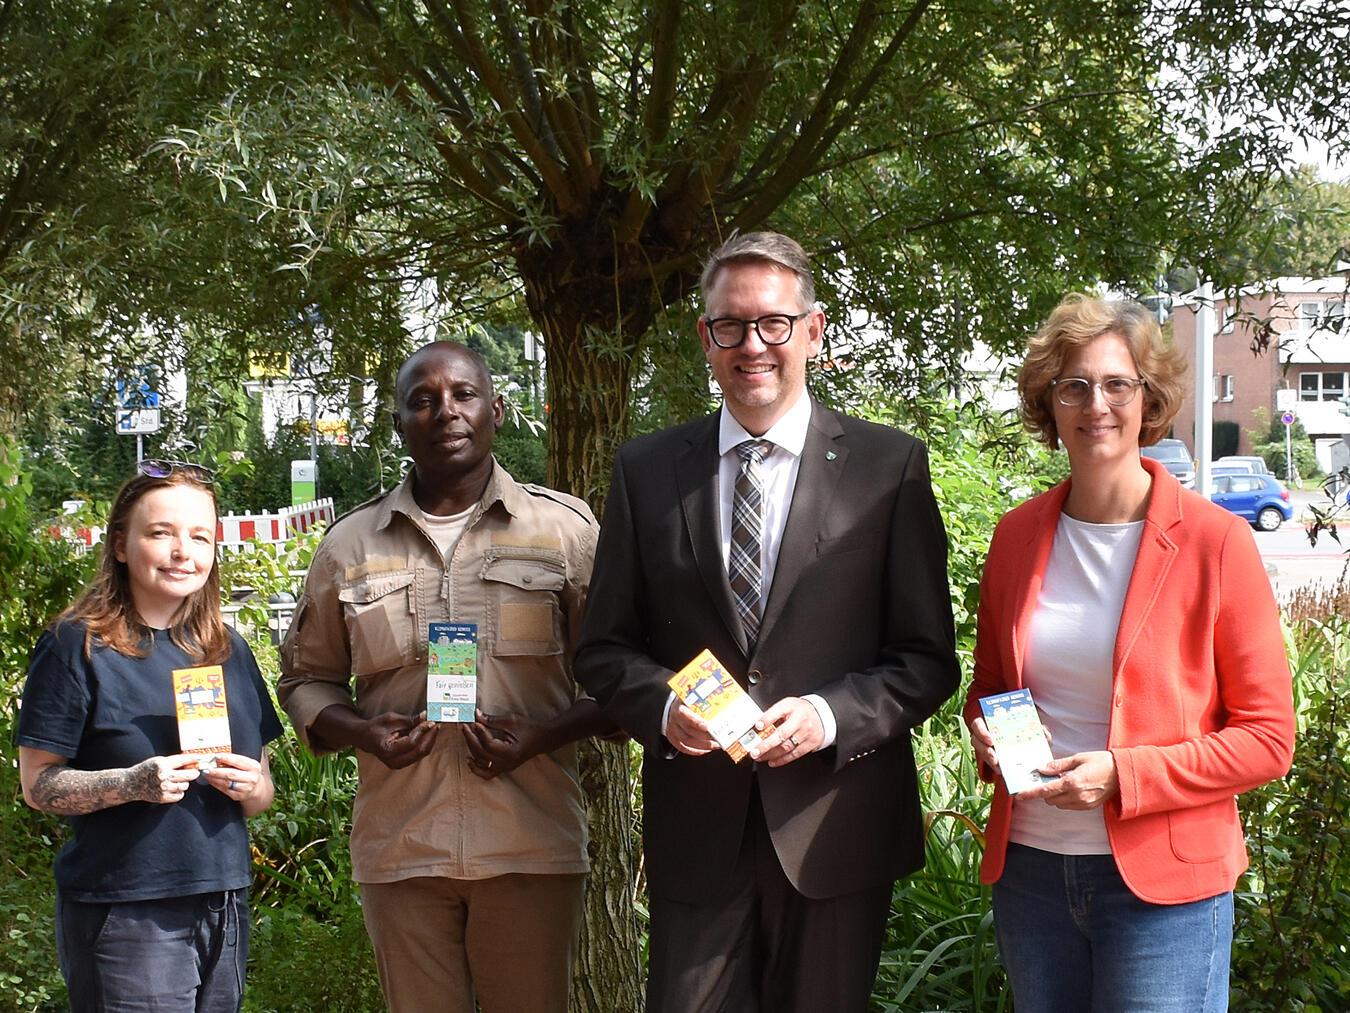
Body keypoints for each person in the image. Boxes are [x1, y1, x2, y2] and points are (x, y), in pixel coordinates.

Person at [574, 231, 961, 1012]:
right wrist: (662, 706)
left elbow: (926, 658)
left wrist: (826, 715)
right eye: (730, 325)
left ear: (812, 331)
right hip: (698, 837)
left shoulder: (890, 468)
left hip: (834, 829)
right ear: (705, 338)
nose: (752, 344)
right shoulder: (646, 471)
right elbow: (605, 646)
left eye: (772, 323)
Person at [964, 294, 1296, 1012]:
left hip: (1165, 889)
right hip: (1032, 875)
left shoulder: (1215, 541)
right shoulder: (1016, 536)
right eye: (1074, 385)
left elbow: (1268, 740)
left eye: (1118, 384)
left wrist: (1124, 774)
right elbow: (990, 685)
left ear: (1150, 400)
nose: (1096, 405)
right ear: (1048, 403)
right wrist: (987, 734)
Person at [277, 341, 610, 1013]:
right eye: (422, 400)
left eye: (463, 395)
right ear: (399, 424)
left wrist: (543, 736)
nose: (445, 412)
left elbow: (620, 677)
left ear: (497, 410)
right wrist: (365, 733)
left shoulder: (565, 532)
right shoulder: (350, 544)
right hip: (404, 848)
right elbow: (306, 680)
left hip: (529, 842)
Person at [17, 460, 282, 1013]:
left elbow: (262, 793)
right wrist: (132, 782)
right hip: (128, 909)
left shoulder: (227, 648)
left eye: (199, 536)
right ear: (120, 544)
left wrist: (251, 786)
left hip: (222, 901)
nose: (183, 551)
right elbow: (38, 785)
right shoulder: (77, 645)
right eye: (161, 532)